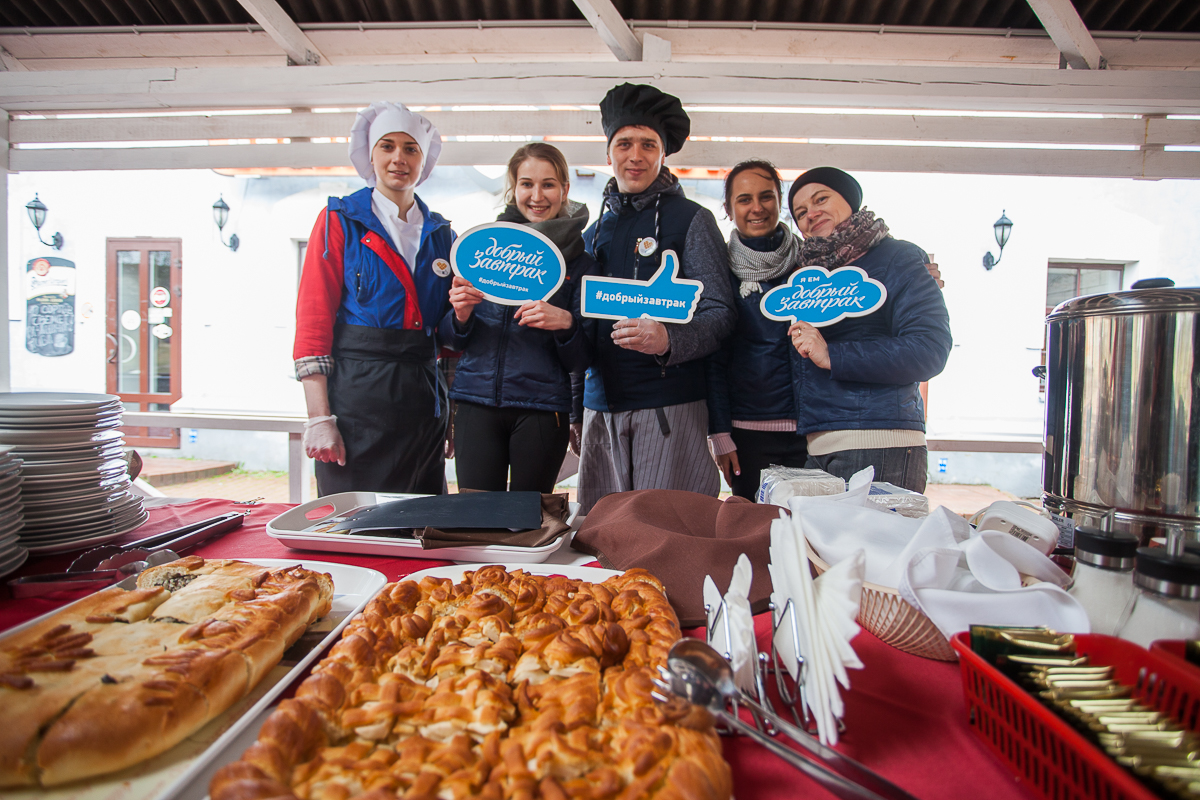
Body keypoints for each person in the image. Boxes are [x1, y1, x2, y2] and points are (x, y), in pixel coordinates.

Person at [578, 83, 737, 513]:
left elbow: (720, 312)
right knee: (599, 533)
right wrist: (578, 407)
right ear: (608, 153)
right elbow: (583, 326)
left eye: (648, 144)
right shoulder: (593, 232)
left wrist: (669, 340)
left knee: (669, 530)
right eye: (624, 143)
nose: (636, 155)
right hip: (602, 409)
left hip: (669, 406)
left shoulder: (692, 220)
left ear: (663, 154)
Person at [293, 102, 455, 496]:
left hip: (423, 401)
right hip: (356, 401)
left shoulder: (443, 235)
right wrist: (319, 418)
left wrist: (454, 415)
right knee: (355, 522)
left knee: (421, 523)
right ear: (370, 155)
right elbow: (313, 323)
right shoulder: (338, 220)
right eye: (387, 146)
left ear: (424, 160)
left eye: (411, 149)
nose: (399, 158)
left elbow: (450, 337)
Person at [786, 166, 951, 492]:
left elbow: (929, 350)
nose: (811, 213)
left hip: (880, 441)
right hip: (820, 444)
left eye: (821, 199)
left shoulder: (897, 258)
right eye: (800, 211)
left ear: (849, 200)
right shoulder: (806, 275)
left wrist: (833, 355)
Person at [443, 143, 596, 492]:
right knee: (475, 518)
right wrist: (461, 315)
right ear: (514, 188)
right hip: (475, 402)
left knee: (528, 521)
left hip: (542, 410)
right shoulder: (481, 249)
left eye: (548, 184)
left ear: (565, 190)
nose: (537, 195)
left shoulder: (582, 263)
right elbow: (450, 339)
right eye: (527, 183)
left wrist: (566, 325)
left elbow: (584, 359)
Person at [706, 160, 809, 500]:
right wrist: (720, 433)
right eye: (744, 199)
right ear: (728, 208)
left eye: (766, 197)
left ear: (780, 201)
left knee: (813, 537)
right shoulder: (719, 269)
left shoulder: (812, 261)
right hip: (749, 432)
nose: (757, 208)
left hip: (815, 426)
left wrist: (919, 271)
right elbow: (713, 358)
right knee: (752, 534)